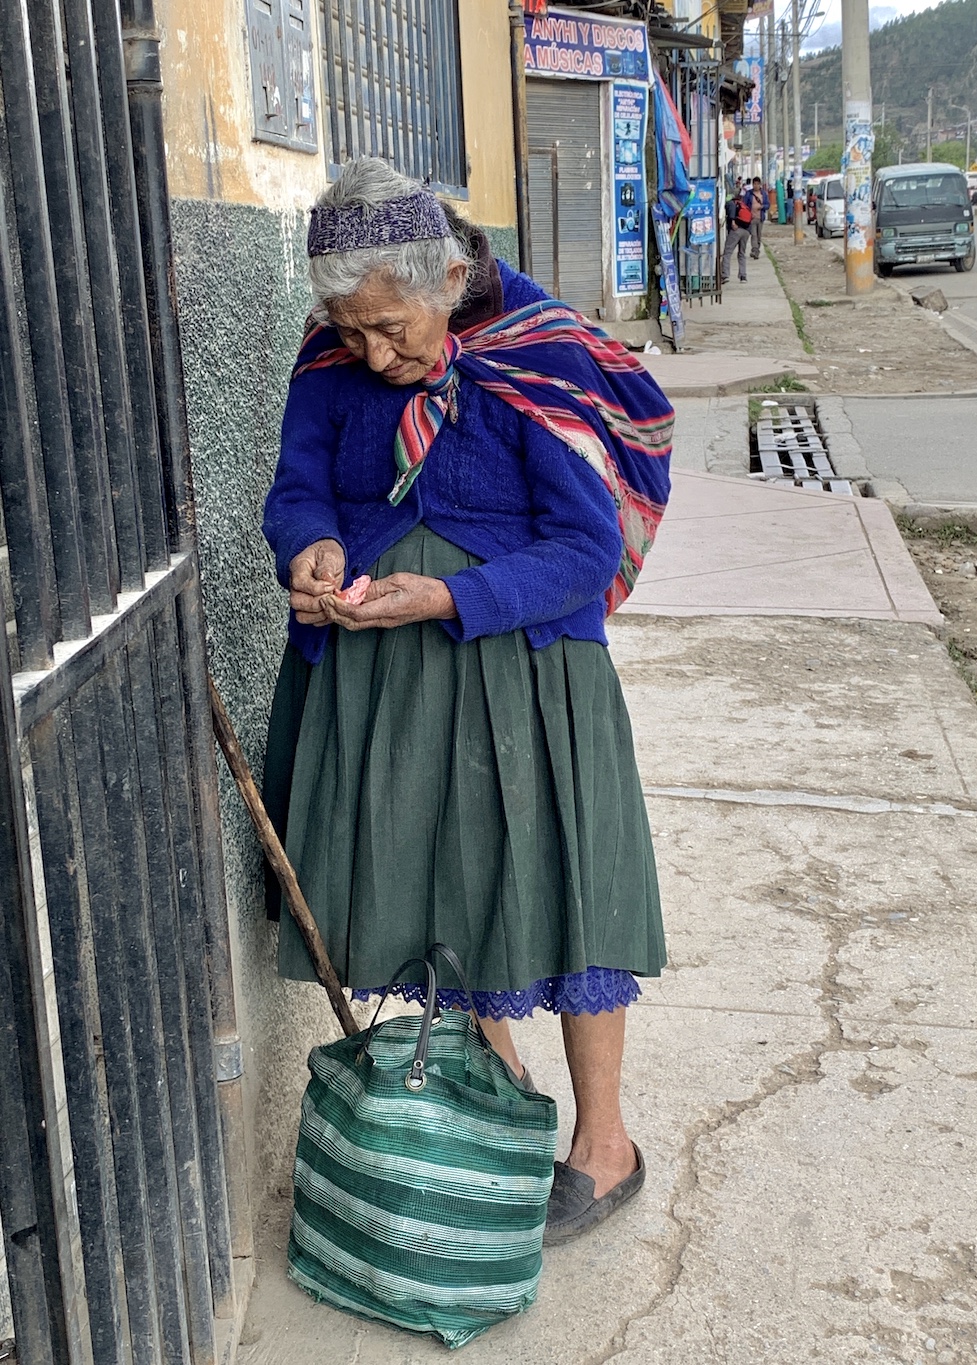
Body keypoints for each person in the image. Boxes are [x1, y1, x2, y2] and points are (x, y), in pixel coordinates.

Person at [261, 157, 672, 1246]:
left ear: (448, 278)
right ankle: (499, 1096)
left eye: (390, 329)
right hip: (381, 677)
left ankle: (605, 1145)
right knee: (446, 890)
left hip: (524, 672)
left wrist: (449, 595)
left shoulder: (537, 354)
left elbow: (585, 551)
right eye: (350, 331)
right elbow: (298, 483)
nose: (372, 355)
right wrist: (309, 545)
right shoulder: (334, 353)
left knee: (566, 894)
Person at [722, 188, 751, 282]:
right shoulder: (743, 205)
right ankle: (743, 276)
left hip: (736, 230)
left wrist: (732, 222)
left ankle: (725, 275)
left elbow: (731, 215)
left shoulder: (731, 203)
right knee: (742, 254)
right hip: (746, 231)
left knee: (727, 252)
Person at [744, 176, 768, 258]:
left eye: (757, 184)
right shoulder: (749, 194)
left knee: (758, 235)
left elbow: (767, 205)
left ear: (760, 184)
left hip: (760, 218)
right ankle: (755, 250)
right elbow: (745, 204)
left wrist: (762, 207)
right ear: (752, 184)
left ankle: (756, 249)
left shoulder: (763, 194)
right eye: (754, 184)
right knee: (753, 234)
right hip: (751, 218)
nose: (756, 186)